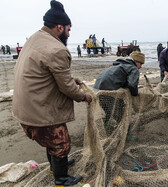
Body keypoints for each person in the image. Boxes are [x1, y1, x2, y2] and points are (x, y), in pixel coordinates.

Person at [12, 1, 92, 186]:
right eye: (68, 30)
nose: (69, 34)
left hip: (25, 106)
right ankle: (61, 178)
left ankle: (55, 166)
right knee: (61, 143)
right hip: (39, 109)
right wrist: (83, 96)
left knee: (52, 144)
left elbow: (47, 74)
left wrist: (72, 80)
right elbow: (65, 86)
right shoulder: (57, 49)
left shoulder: (35, 38)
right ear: (59, 27)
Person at [94, 51, 145, 139]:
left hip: (97, 90)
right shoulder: (133, 68)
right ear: (136, 62)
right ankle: (126, 135)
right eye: (141, 64)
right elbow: (132, 84)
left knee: (109, 111)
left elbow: (121, 79)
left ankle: (107, 127)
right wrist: (135, 94)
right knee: (121, 114)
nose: (141, 66)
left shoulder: (119, 64)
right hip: (109, 91)